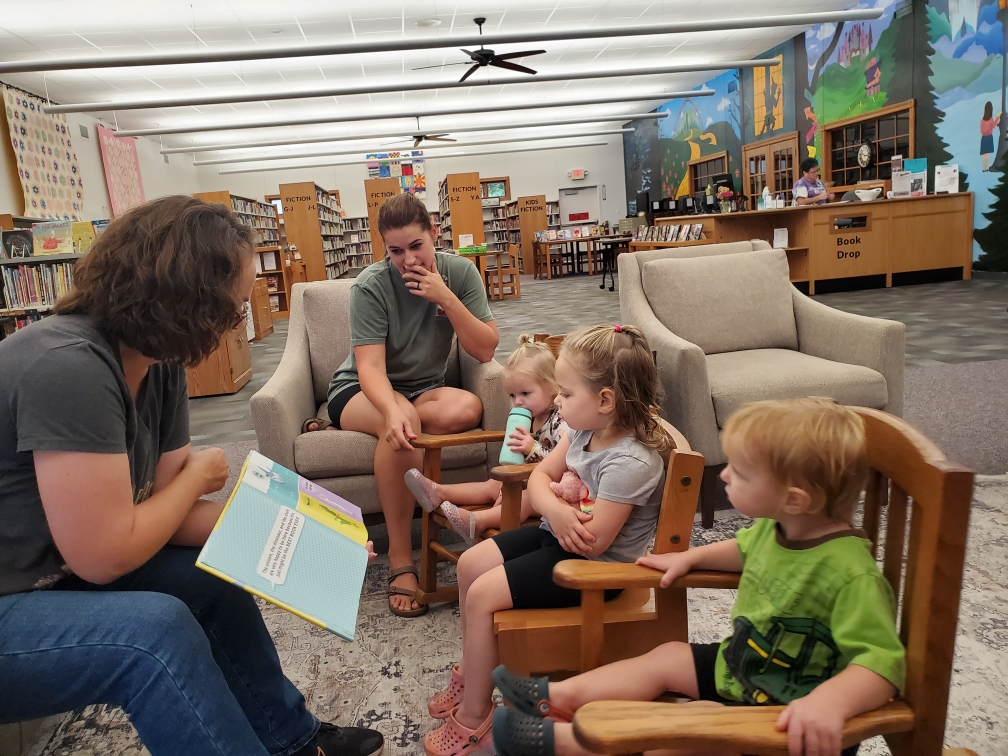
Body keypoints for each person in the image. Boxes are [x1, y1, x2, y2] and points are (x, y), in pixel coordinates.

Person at [0, 197, 384, 756]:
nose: (238, 319)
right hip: (16, 595)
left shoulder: (157, 363)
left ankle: (293, 742)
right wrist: (196, 476)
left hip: (50, 576)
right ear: (186, 300)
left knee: (210, 581)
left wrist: (312, 538)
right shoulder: (67, 366)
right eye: (232, 305)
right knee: (153, 633)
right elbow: (104, 553)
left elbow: (167, 515)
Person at [490, 398, 906, 756]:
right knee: (667, 657)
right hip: (748, 667)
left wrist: (831, 703)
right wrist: (689, 558)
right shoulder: (780, 527)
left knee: (686, 729)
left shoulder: (852, 575)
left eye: (741, 473)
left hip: (787, 714)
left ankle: (568, 744)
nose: (724, 475)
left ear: (795, 499)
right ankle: (558, 698)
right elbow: (743, 549)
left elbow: (882, 663)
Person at [423, 325, 668, 756]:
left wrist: (552, 505)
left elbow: (591, 543)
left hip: (595, 572)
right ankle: (472, 673)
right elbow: (540, 476)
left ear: (605, 400)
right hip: (556, 537)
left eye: (567, 394)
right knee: (468, 565)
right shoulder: (583, 430)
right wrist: (554, 508)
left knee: (481, 595)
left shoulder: (631, 461)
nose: (558, 401)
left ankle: (476, 715)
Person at [304, 192, 498, 617]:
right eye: (395, 250)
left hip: (425, 387)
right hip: (360, 388)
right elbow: (369, 366)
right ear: (384, 249)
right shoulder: (371, 286)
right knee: (404, 424)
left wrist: (445, 298)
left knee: (466, 409)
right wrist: (391, 411)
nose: (408, 258)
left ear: (434, 234)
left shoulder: (460, 272)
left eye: (416, 246)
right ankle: (400, 560)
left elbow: (485, 350)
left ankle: (358, 428)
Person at [404, 334, 566, 546]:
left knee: (527, 500)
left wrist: (532, 448)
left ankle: (476, 522)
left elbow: (568, 462)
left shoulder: (560, 422)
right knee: (493, 483)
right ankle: (438, 492)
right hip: (526, 480)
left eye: (525, 393)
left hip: (554, 491)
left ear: (553, 387)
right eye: (512, 395)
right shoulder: (532, 418)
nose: (518, 402)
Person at [980, 101, 1001, 172]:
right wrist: (998, 117)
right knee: (987, 153)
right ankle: (986, 168)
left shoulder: (982, 120)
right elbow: (994, 125)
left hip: (983, 138)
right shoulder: (991, 119)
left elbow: (981, 131)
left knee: (985, 154)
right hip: (989, 137)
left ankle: (984, 168)